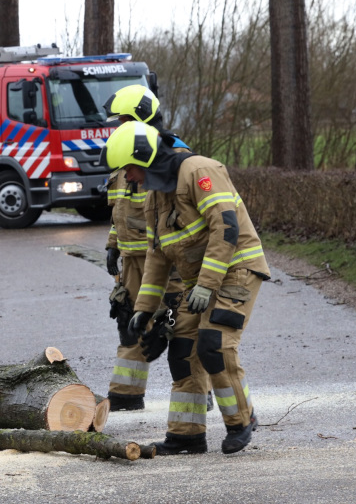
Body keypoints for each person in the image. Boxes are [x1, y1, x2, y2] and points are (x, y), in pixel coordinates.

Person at [100, 120, 269, 455]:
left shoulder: (198, 171)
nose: (128, 177)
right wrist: (144, 309)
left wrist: (206, 285)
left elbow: (227, 229)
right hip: (200, 282)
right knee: (183, 351)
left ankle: (241, 421)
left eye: (130, 169)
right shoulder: (155, 199)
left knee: (214, 344)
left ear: (147, 160)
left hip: (237, 271)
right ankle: (186, 435)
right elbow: (157, 258)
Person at [101, 85, 204, 411]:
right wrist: (113, 244)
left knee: (179, 327)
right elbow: (119, 208)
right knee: (130, 322)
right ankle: (125, 395)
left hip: (168, 260)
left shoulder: (171, 156)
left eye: (123, 119)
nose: (118, 126)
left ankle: (203, 393)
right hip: (133, 260)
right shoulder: (127, 155)